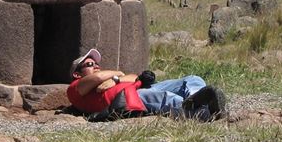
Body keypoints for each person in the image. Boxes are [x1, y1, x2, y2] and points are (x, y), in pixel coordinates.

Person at [66, 49, 226, 121]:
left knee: (192, 79)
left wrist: (116, 79)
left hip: (140, 88)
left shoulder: (110, 78)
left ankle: (196, 99)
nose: (96, 66)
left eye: (97, 64)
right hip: (129, 98)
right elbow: (100, 76)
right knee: (165, 98)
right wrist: (117, 76)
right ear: (77, 74)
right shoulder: (75, 89)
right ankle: (204, 112)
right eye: (90, 64)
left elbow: (133, 77)